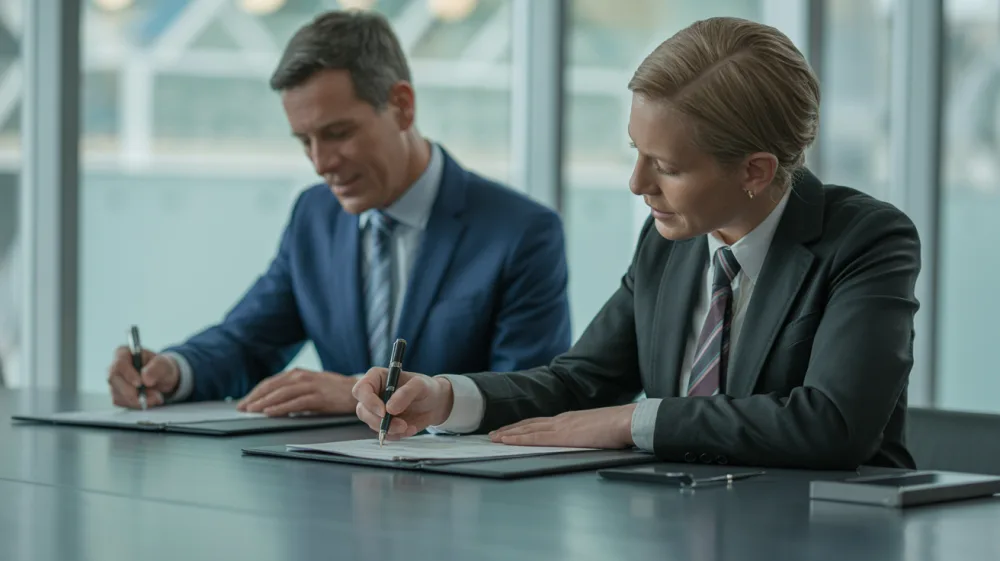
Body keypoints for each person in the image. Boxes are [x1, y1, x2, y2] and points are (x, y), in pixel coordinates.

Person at [353, 16, 921, 470]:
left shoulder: (865, 241)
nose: (637, 185)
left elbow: (832, 425)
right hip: (678, 523)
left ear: (755, 171)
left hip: (827, 534)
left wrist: (632, 422)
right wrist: (445, 397)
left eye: (667, 167)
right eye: (636, 153)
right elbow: (580, 381)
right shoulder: (669, 238)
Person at [104, 10, 571, 416]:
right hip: (336, 496)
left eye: (338, 133)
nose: (321, 163)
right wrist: (172, 370)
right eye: (304, 141)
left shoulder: (522, 233)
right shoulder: (315, 215)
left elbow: (528, 399)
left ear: (402, 106)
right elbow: (249, 341)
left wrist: (359, 393)